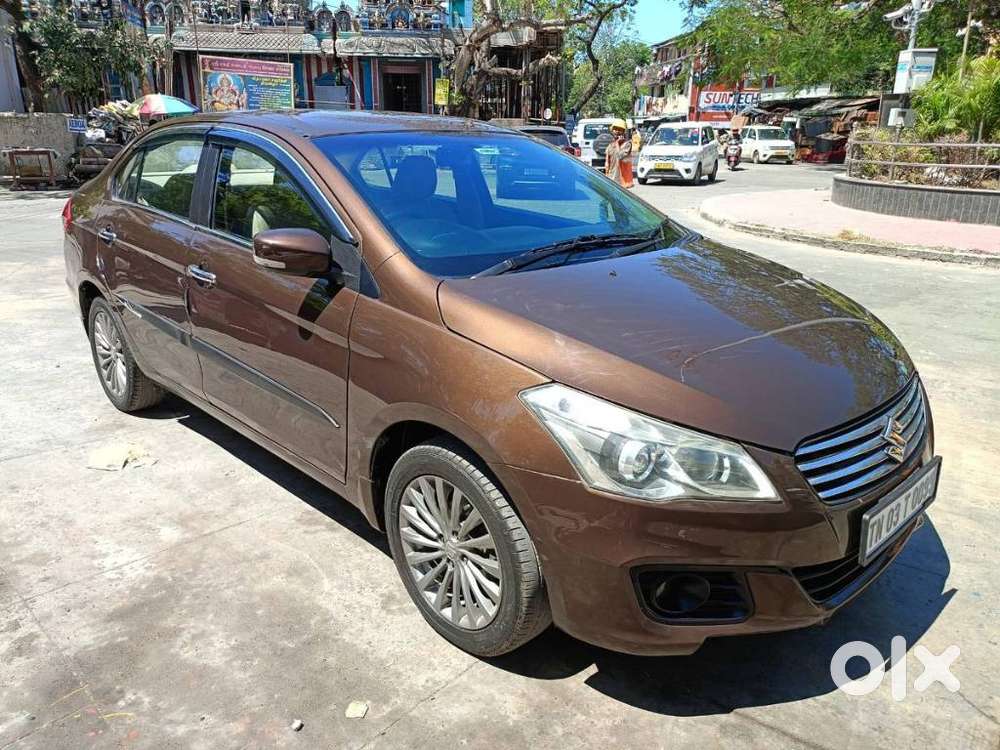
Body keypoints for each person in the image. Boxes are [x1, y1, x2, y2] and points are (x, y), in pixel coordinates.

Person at [605, 119, 633, 188]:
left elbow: (620, 156)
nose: (617, 131)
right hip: (611, 179)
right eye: (615, 129)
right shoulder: (611, 145)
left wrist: (617, 143)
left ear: (623, 132)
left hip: (622, 182)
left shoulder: (627, 144)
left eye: (620, 129)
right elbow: (607, 162)